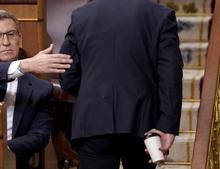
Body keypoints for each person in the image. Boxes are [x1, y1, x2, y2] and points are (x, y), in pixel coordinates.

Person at [59, 0, 183, 169]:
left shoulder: (81, 15)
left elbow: (67, 76)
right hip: (143, 121)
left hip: (93, 121)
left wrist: (94, 95)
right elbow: (170, 75)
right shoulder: (160, 15)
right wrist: (168, 125)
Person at [0, 10, 72, 169]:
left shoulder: (41, 89)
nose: (6, 42)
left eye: (11, 34)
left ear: (20, 39)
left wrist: (5, 149)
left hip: (14, 162)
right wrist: (25, 65)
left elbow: (40, 136)